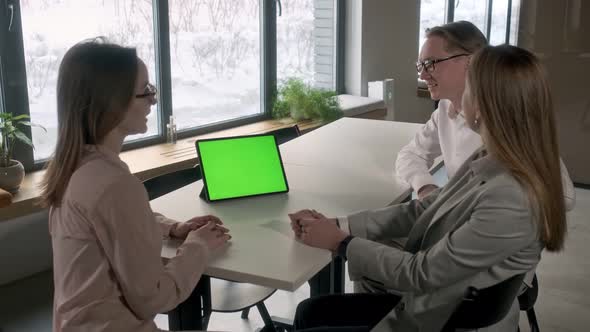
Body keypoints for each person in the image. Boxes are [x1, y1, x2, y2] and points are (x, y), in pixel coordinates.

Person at [288, 44, 567, 331]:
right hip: (442, 303)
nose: (459, 99)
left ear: (483, 105)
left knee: (310, 316)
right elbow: (428, 207)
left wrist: (340, 242)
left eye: (468, 88)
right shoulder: (492, 158)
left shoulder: (512, 196)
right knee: (309, 312)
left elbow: (421, 273)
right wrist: (341, 225)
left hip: (444, 318)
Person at [40, 39, 231, 332]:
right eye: (146, 92)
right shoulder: (114, 184)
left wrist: (171, 228)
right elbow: (154, 296)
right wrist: (198, 247)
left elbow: (112, 226)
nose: (153, 101)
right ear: (112, 103)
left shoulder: (75, 167)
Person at [395, 21, 576, 210]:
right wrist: (426, 188)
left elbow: (564, 197)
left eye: (430, 63)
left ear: (472, 61)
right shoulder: (444, 109)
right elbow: (410, 155)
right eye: (420, 65)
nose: (423, 75)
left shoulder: (507, 113)